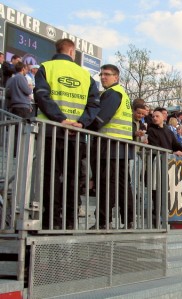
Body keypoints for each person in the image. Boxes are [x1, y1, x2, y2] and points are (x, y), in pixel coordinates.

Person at [34, 38, 100, 229]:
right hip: (76, 136)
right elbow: (94, 103)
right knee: (72, 178)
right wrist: (80, 123)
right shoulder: (85, 74)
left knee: (50, 178)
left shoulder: (46, 67)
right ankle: (70, 221)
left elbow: (41, 95)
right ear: (72, 52)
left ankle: (50, 221)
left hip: (51, 132)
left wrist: (60, 119)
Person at [87, 64, 134, 229]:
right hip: (121, 147)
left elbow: (100, 119)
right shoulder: (123, 94)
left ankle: (103, 222)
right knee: (122, 185)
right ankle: (128, 220)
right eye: (101, 74)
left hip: (109, 147)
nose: (103, 77)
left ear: (116, 77)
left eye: (107, 74)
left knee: (106, 185)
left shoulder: (112, 93)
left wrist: (82, 126)